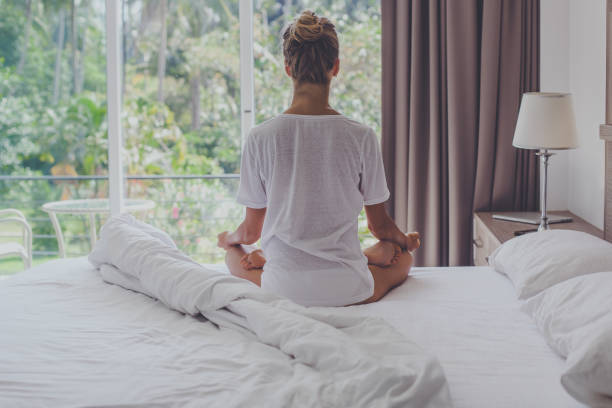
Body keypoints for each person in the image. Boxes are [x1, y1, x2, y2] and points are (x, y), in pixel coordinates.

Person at [217, 10, 420, 307]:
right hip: (347, 289)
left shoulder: (261, 137)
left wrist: (228, 239)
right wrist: (406, 241)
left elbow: (251, 231)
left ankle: (269, 258)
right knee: (401, 258)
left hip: (283, 289)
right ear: (335, 67)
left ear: (288, 69)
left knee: (234, 254)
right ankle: (363, 257)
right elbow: (380, 228)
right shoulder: (361, 136)